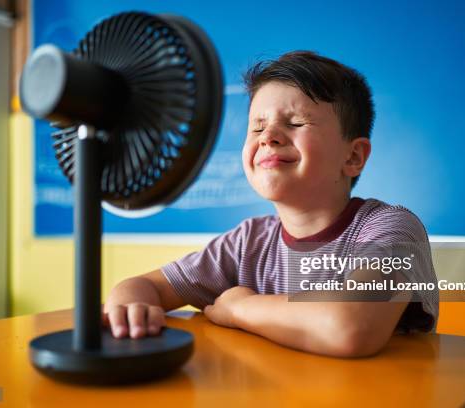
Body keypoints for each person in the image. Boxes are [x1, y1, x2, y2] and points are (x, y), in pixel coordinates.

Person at [103, 51, 438, 357]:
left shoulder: (392, 229)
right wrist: (131, 305)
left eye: (294, 123)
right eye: (257, 127)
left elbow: (350, 326)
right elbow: (143, 286)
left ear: (353, 156)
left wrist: (240, 308)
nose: (267, 137)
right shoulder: (248, 242)